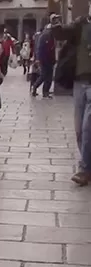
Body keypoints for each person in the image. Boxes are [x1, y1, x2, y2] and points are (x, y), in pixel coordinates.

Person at [54, 16, 91, 185]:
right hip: (79, 83)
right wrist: (56, 26)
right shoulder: (81, 26)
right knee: (79, 129)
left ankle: (84, 169)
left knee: (87, 128)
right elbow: (61, 33)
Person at [32, 17, 60, 98]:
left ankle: (45, 91)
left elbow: (52, 48)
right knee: (44, 75)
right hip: (45, 59)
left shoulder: (51, 35)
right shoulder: (45, 35)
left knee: (49, 76)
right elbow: (40, 48)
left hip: (50, 58)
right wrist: (39, 59)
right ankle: (35, 87)